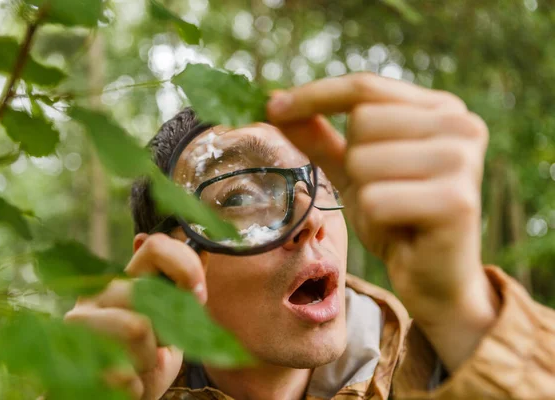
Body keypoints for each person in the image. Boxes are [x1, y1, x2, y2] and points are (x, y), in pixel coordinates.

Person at [65, 73, 555, 400]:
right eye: (240, 197)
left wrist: (465, 313)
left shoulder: (441, 373)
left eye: (322, 182)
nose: (312, 217)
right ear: (163, 265)